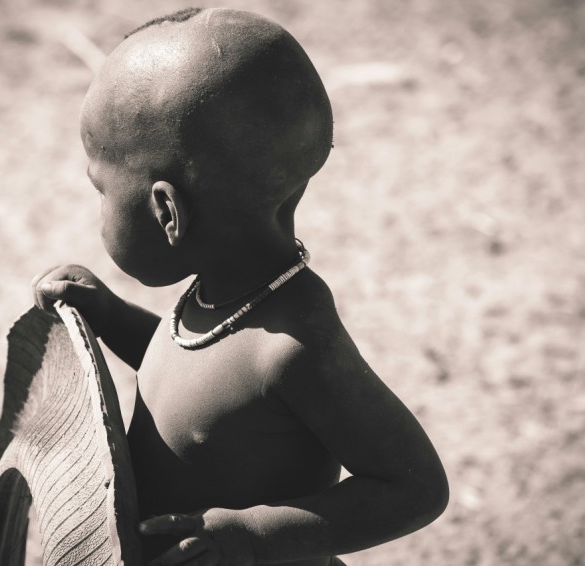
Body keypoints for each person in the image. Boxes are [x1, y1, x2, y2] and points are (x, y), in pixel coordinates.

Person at [31, 7, 447, 565]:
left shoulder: (293, 343)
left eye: (100, 191)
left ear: (166, 212)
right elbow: (200, 390)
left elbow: (415, 487)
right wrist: (108, 317)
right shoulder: (221, 296)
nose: (98, 210)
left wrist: (254, 534)